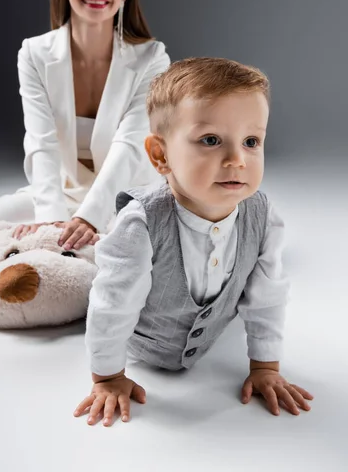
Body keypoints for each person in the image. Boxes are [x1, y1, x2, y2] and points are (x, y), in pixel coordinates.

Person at [74, 57, 314, 426]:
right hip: (147, 344)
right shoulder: (140, 225)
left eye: (252, 141)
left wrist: (265, 365)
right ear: (160, 154)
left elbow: (267, 296)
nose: (237, 159)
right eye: (211, 140)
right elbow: (112, 306)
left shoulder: (264, 217)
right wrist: (107, 376)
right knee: (85, 281)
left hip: (210, 331)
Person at [0, 0, 170, 250]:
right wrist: (51, 219)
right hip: (63, 192)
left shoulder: (152, 58)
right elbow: (41, 144)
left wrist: (89, 218)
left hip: (128, 193)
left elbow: (130, 145)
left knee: (117, 250)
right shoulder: (34, 53)